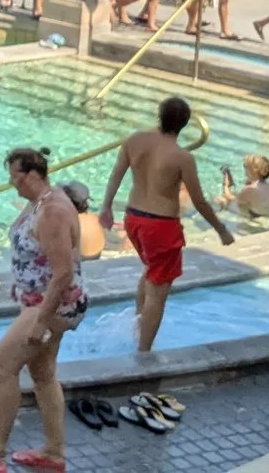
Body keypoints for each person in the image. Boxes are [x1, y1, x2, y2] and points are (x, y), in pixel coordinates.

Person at [0, 148, 85, 473]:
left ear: (31, 175)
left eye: (14, 176)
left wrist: (40, 321)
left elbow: (63, 273)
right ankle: (54, 453)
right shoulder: (44, 201)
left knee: (2, 365)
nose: (11, 182)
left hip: (52, 305)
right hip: (42, 302)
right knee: (43, 374)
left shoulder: (53, 211)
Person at [98, 96, 235, 352]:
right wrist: (221, 230)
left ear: (159, 116)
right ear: (184, 125)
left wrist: (105, 207)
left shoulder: (135, 140)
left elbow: (116, 174)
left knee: (151, 271)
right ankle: (144, 352)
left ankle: (137, 330)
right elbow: (200, 201)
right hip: (161, 226)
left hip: (134, 219)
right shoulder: (182, 157)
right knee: (158, 293)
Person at [217, 154, 269, 223]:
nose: (244, 170)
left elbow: (230, 197)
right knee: (242, 198)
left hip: (257, 216)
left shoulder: (251, 189)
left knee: (221, 199)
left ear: (253, 171)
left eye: (245, 167)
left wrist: (226, 185)